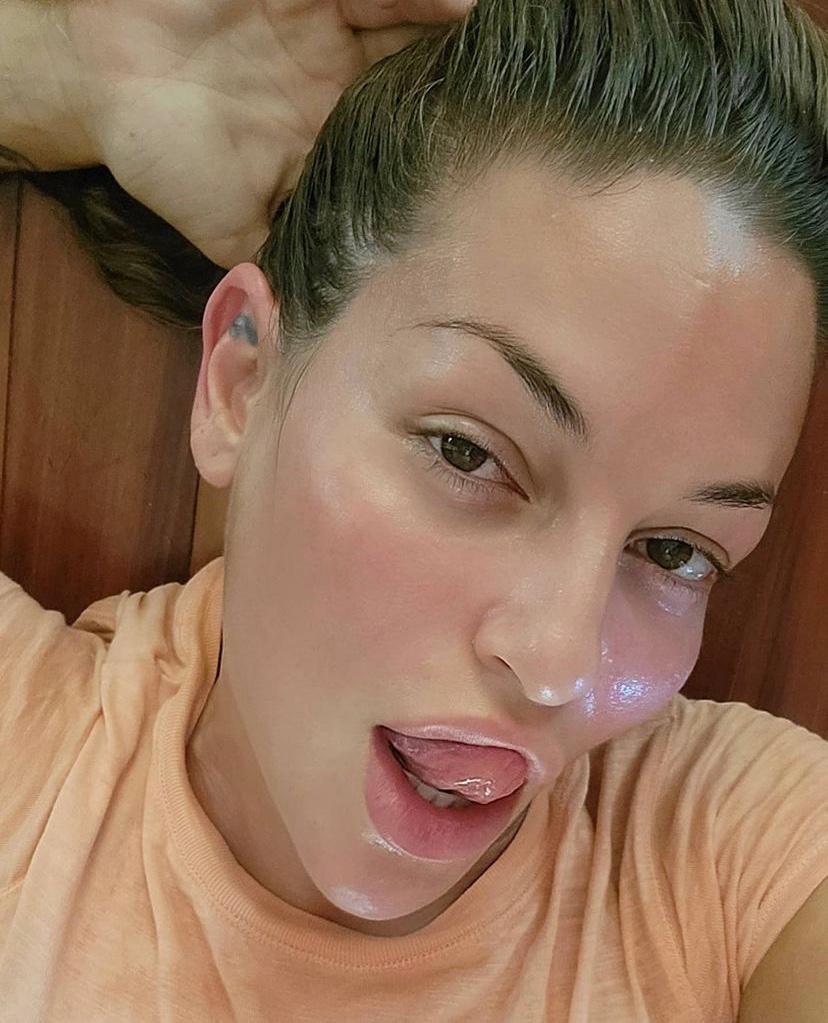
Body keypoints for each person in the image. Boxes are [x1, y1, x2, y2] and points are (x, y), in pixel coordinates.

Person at [0, 0, 827, 1019]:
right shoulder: (25, 751)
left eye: (674, 551)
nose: (558, 663)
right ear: (241, 380)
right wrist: (59, 67)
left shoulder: (743, 855)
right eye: (467, 452)